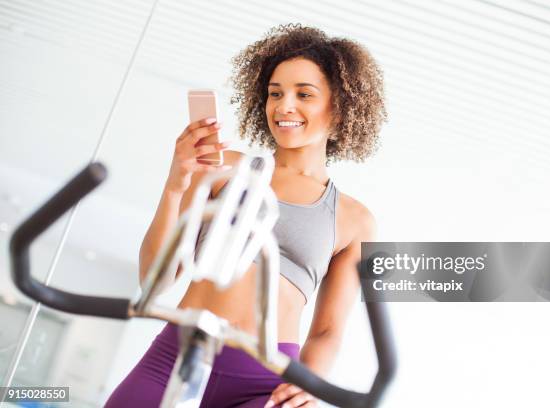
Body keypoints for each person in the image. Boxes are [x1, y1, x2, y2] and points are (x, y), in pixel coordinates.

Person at [105, 23, 386, 408]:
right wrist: (176, 182)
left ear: (339, 107)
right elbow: (155, 275)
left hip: (265, 383)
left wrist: (312, 383)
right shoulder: (222, 169)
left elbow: (326, 331)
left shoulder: (356, 220)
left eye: (304, 94)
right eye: (275, 94)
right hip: (176, 355)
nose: (284, 106)